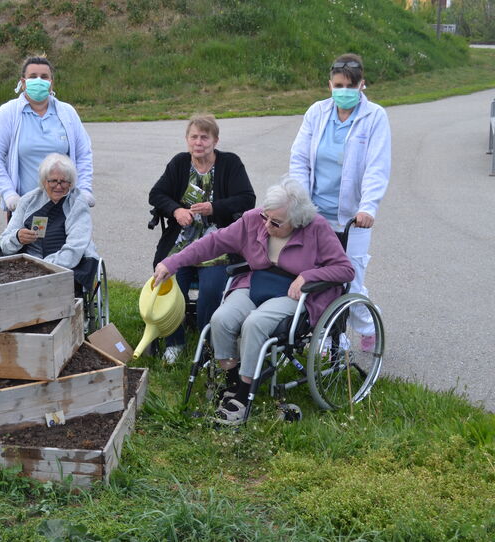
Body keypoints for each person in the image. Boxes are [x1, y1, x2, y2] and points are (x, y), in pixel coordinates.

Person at [152, 179, 354, 424]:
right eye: (265, 217)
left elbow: (345, 270)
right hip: (255, 283)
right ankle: (231, 382)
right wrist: (170, 263)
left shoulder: (317, 228)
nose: (267, 225)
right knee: (221, 318)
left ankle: (243, 395)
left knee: (255, 323)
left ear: (297, 221)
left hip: (293, 293)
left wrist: (308, 276)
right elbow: (212, 243)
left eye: (276, 222)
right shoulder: (253, 219)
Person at [289, 53, 391, 352]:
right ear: (329, 84)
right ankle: (336, 336)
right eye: (337, 85)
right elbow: (300, 158)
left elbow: (377, 166)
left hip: (352, 217)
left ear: (362, 85)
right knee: (321, 278)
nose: (343, 91)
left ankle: (370, 325)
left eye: (350, 85)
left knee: (351, 282)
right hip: (316, 213)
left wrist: (368, 207)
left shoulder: (375, 117)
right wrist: (300, 200)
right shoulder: (317, 113)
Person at [148, 114, 255, 364]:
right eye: (194, 137)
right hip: (182, 244)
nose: (199, 142)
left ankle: (207, 345)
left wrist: (214, 208)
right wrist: (176, 210)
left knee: (211, 291)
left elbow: (247, 199)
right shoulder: (179, 164)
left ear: (215, 140)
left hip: (218, 246)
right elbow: (157, 194)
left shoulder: (230, 163)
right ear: (187, 140)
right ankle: (174, 342)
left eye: (204, 137)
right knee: (170, 287)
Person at [0, 56, 94, 220]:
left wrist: (85, 190)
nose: (39, 81)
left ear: (51, 82)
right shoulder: (7, 113)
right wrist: (8, 193)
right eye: (33, 76)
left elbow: (83, 153)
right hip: (25, 208)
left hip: (65, 208)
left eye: (44, 77)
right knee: (28, 245)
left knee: (68, 246)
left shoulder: (67, 113)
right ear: (23, 82)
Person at [0, 153, 98, 292]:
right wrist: (17, 237)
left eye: (64, 181)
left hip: (64, 267)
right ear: (44, 181)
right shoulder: (28, 200)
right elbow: (4, 240)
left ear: (71, 183)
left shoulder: (77, 203)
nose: (58, 186)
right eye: (53, 181)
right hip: (27, 265)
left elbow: (75, 248)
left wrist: (42, 267)